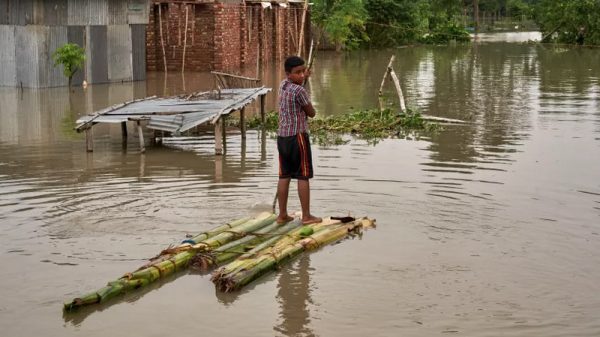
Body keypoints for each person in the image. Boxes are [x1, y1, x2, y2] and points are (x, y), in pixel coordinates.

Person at [276, 56, 322, 225]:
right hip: (298, 137)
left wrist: (304, 79)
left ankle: (282, 215)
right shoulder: (299, 91)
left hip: (282, 137)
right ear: (289, 73)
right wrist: (304, 85)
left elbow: (298, 86)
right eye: (298, 72)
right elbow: (311, 113)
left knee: (284, 175)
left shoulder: (283, 85)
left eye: (304, 71)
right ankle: (307, 216)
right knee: (303, 176)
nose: (302, 75)